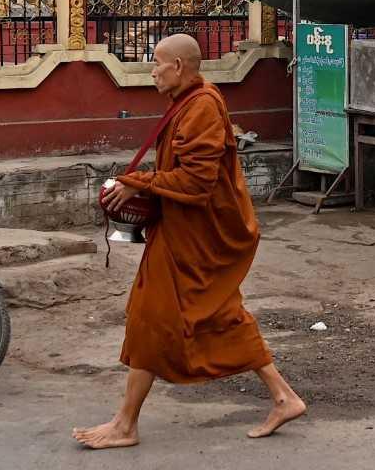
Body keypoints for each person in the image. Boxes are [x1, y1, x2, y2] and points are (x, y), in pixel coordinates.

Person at [74, 33, 306, 450]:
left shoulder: (202, 107)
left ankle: (126, 425)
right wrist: (142, 187)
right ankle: (283, 397)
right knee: (214, 315)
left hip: (200, 235)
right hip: (182, 231)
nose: (152, 71)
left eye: (157, 63)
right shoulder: (187, 102)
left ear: (179, 67)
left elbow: (197, 182)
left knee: (152, 317)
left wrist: (139, 183)